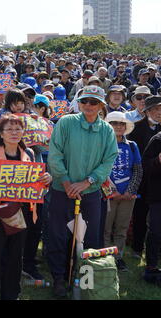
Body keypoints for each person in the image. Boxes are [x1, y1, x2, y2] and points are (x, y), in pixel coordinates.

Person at [47, 85, 118, 298]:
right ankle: (59, 278)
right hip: (62, 191)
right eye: (84, 101)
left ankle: (86, 279)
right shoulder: (66, 123)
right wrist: (67, 182)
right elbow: (55, 154)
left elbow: (108, 160)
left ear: (101, 106)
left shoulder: (107, 130)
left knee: (90, 238)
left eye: (93, 102)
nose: (88, 105)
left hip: (91, 193)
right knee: (58, 236)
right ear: (78, 102)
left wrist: (88, 182)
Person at [0, 113, 52, 300]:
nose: (14, 132)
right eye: (9, 129)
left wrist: (46, 179)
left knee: (15, 257)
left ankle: (11, 294)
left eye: (18, 129)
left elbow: (36, 182)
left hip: (20, 212)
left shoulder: (30, 154)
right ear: (0, 133)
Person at [103, 112, 142, 272]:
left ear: (126, 126)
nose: (118, 126)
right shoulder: (102, 144)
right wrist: (112, 191)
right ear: (108, 126)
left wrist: (129, 191)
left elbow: (138, 170)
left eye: (121, 123)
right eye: (114, 123)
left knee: (121, 228)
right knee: (105, 228)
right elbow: (100, 170)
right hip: (107, 195)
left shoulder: (132, 145)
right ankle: (105, 257)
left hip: (128, 196)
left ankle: (118, 257)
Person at [128, 96, 161, 259]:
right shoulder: (135, 128)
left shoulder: (160, 130)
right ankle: (137, 247)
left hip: (158, 181)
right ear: (147, 111)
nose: (159, 112)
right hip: (141, 179)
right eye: (156, 109)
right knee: (140, 215)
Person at [142, 128, 161, 285]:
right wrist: (158, 161)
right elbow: (145, 166)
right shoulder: (158, 140)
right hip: (159, 197)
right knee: (155, 232)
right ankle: (151, 267)